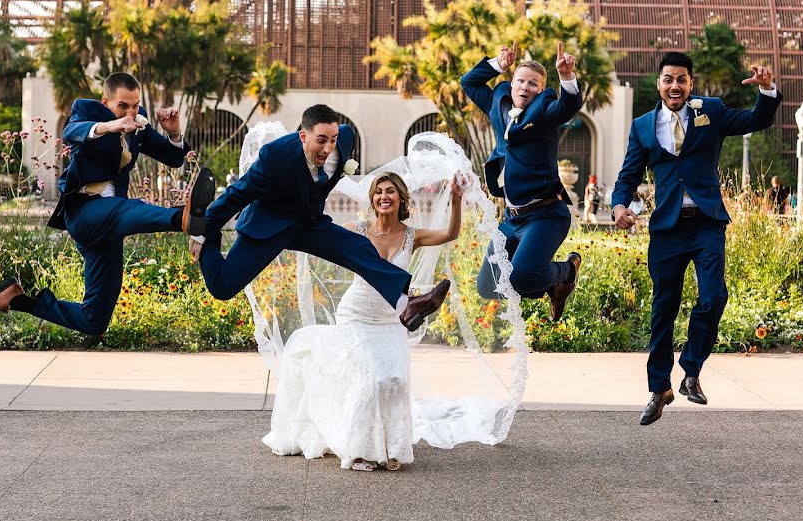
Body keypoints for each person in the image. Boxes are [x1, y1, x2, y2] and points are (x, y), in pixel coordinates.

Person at [0, 72, 216, 336]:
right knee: (123, 210)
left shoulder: (138, 125)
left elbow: (174, 158)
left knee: (94, 320)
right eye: (123, 106)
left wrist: (174, 133)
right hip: (84, 213)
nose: (130, 112)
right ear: (105, 101)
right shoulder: (86, 110)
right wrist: (111, 126)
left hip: (108, 230)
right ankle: (181, 219)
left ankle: (15, 299)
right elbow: (72, 131)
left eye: (134, 105)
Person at [611, 52, 781, 425]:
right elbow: (627, 175)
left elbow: (756, 118)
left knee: (713, 296)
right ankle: (659, 389)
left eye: (682, 80)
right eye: (669, 79)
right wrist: (618, 205)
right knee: (663, 309)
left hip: (706, 223)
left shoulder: (712, 111)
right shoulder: (642, 126)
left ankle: (691, 369)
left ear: (691, 84)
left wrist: (767, 91)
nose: (675, 86)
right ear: (659, 84)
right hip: (667, 229)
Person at [264, 170, 464, 471]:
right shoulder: (356, 230)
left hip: (391, 320)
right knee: (372, 380)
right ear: (372, 199)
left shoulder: (413, 236)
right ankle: (356, 451)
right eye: (378, 191)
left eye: (390, 191)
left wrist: (456, 199)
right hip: (356, 316)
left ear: (401, 199)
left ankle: (392, 448)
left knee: (395, 379)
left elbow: (451, 234)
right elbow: (321, 236)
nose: (384, 196)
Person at [189, 104, 450, 332]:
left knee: (357, 246)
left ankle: (407, 305)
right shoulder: (274, 158)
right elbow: (236, 194)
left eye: (333, 139)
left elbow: (338, 144)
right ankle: (207, 231)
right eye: (321, 140)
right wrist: (202, 230)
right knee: (223, 287)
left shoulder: (343, 140)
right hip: (269, 225)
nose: (328, 148)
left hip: (309, 223)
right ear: (303, 136)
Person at [462, 41, 584, 321]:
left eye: (533, 84)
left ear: (541, 90)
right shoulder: (498, 102)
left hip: (545, 215)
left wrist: (566, 76)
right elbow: (469, 83)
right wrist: (497, 64)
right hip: (511, 218)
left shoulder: (545, 112)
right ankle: (552, 285)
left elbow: (566, 107)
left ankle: (566, 271)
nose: (525, 87)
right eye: (520, 80)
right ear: (512, 82)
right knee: (488, 286)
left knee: (518, 279)